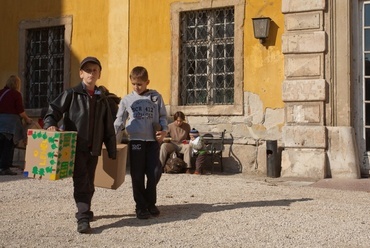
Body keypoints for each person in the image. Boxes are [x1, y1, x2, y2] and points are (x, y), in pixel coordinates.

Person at [43, 56, 118, 234]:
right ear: (81, 73)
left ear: (99, 74)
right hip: (75, 146)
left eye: (95, 70)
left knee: (89, 182)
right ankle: (83, 217)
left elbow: (108, 125)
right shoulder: (71, 94)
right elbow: (53, 110)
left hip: (94, 148)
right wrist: (50, 124)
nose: (91, 73)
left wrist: (111, 148)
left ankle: (86, 209)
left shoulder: (102, 98)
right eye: (88, 70)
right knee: (81, 181)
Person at [114, 66, 168, 220]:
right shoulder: (126, 100)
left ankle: (150, 202)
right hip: (136, 140)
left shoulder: (156, 97)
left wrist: (164, 130)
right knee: (137, 174)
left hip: (153, 141)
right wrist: (112, 138)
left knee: (154, 172)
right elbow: (119, 120)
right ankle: (141, 206)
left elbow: (163, 116)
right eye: (134, 84)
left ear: (147, 82)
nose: (136, 87)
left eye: (140, 84)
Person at [0, 75, 33, 175]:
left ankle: (3, 166)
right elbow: (20, 111)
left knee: (1, 145)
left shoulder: (1, 92)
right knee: (8, 146)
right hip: (10, 124)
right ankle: (5, 167)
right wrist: (27, 119)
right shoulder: (16, 94)